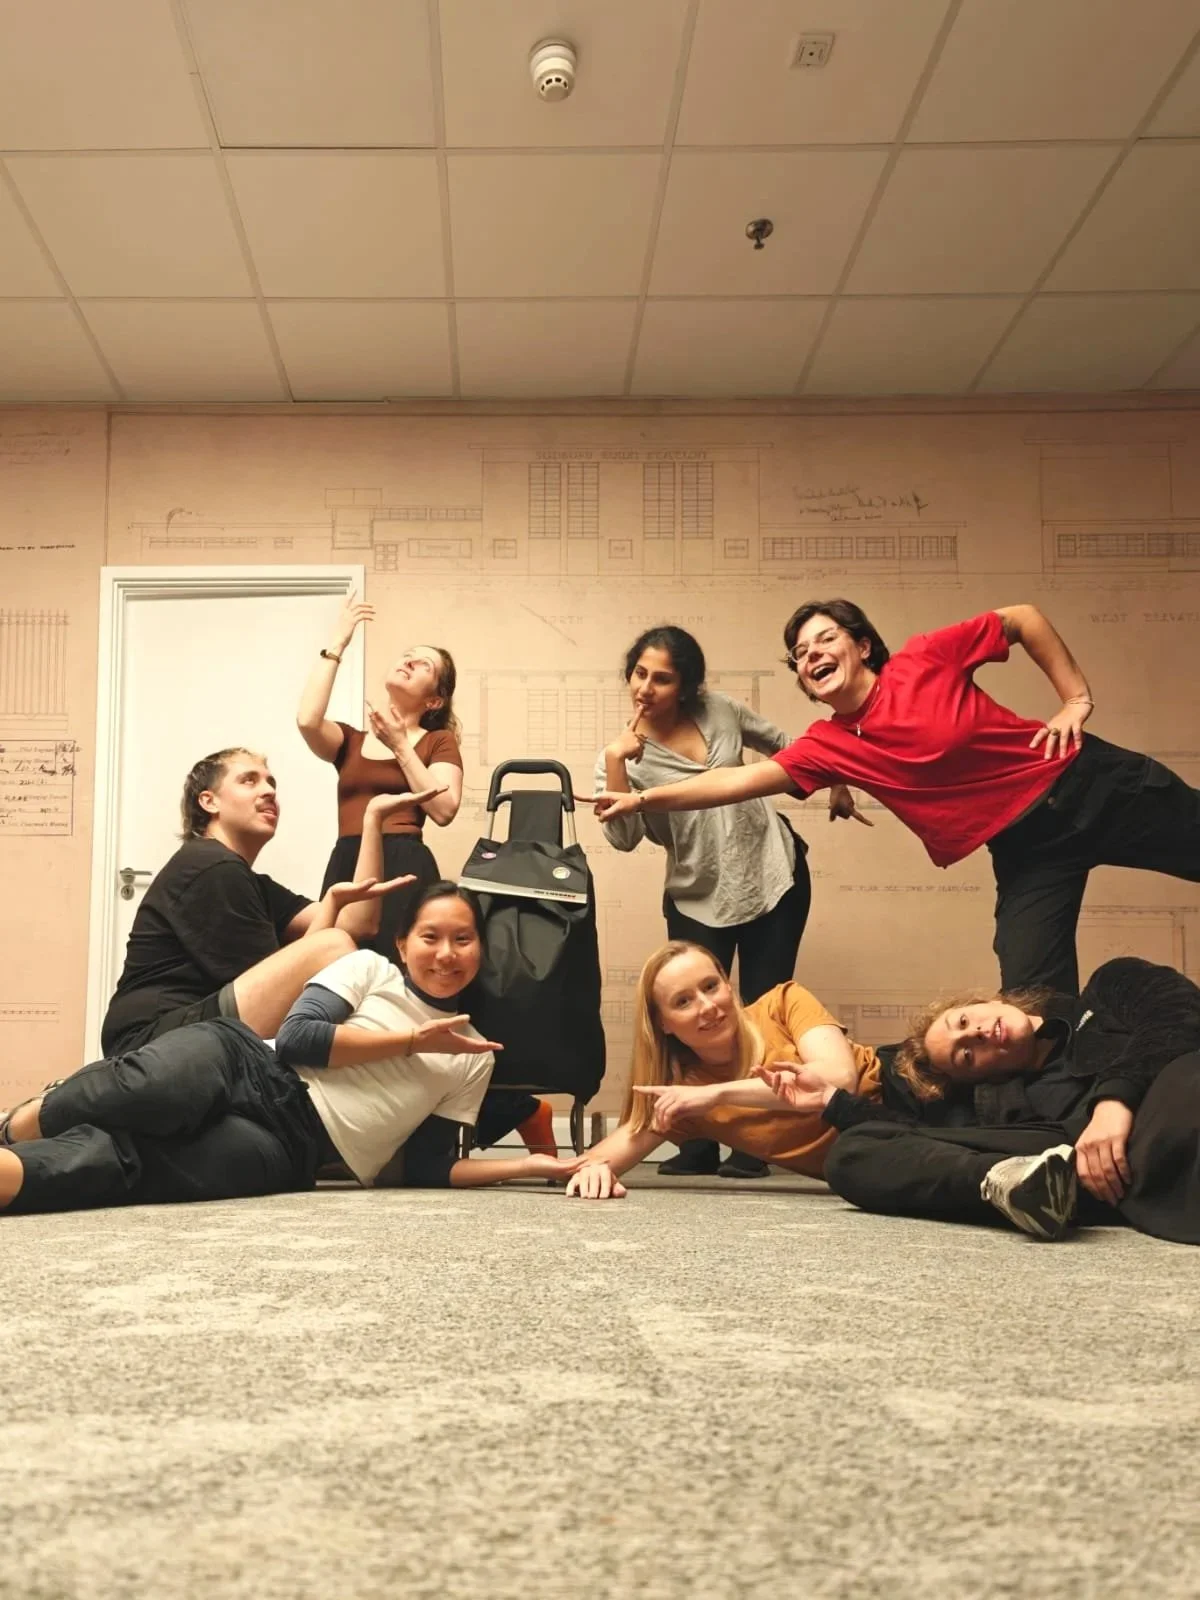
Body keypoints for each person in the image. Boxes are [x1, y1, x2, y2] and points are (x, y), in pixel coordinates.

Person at [589, 600, 1200, 997]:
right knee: (1031, 995)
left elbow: (1023, 619)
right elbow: (734, 782)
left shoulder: (922, 660)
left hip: (1088, 784)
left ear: (860, 645)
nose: (812, 656)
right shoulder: (828, 746)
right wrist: (641, 802)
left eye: (825, 640)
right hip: (1027, 847)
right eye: (801, 655)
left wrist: (1076, 700)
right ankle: (1060, 1132)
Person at [0, 882, 581, 1214]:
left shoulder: (475, 1053)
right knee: (152, 1089)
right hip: (246, 1062)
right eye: (430, 937)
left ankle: (16, 1175)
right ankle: (24, 1122)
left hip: (291, 1144)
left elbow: (427, 1165)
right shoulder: (368, 967)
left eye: (463, 939)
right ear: (404, 944)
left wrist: (527, 1166)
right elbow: (301, 1039)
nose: (446, 954)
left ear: (480, 950)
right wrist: (409, 1040)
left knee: (153, 1169)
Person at [297, 593, 555, 1158]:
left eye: (424, 663)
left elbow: (442, 808)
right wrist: (335, 644)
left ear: (435, 697)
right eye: (405, 655)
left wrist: (399, 744)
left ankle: (506, 1112)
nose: (408, 660)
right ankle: (353, 1115)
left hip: (407, 865)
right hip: (348, 860)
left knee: (407, 997)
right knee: (339, 987)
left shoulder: (437, 740)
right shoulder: (351, 740)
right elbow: (305, 721)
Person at [757, 956, 1200, 1245]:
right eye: (966, 1054)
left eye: (963, 1020)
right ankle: (1012, 1186)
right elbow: (912, 1138)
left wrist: (1114, 1102)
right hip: (1071, 1155)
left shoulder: (1108, 988)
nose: (974, 1033)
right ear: (981, 1076)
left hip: (1166, 1098)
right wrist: (834, 1101)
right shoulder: (1009, 1107)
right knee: (852, 1155)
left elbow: (1178, 1015)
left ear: (987, 1000)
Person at [595, 624, 817, 1180]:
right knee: (691, 1021)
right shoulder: (623, 755)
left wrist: (833, 784)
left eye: (662, 678)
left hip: (772, 875)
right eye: (640, 673)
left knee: (765, 1013)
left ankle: (754, 1143)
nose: (645, 688)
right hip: (696, 893)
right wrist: (618, 762)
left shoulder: (722, 711)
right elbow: (621, 840)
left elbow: (791, 749)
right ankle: (692, 1140)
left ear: (688, 686)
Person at [101, 747, 428, 1058]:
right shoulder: (211, 867)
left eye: (272, 782)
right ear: (209, 801)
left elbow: (359, 923)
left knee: (340, 948)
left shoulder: (246, 878)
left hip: (188, 1025)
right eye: (249, 780)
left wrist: (372, 822)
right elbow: (293, 987)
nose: (269, 790)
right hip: (153, 1036)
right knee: (335, 950)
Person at [563, 940, 882, 1200]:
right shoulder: (686, 1096)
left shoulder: (783, 1003)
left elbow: (840, 1079)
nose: (707, 1006)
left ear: (728, 985)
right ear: (664, 1023)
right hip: (875, 1158)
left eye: (711, 986)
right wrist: (593, 1168)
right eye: (683, 1001)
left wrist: (714, 1095)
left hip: (905, 1089)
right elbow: (595, 1160)